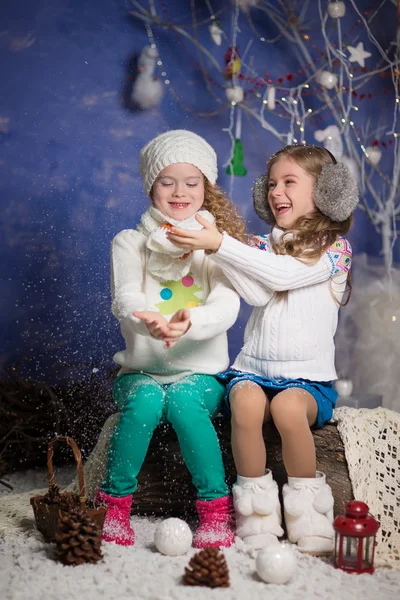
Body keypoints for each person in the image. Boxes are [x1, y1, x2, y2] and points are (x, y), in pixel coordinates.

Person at [166, 144, 358, 556]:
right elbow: (257, 290)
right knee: (247, 404)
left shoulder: (334, 249)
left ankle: (309, 514)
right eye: (271, 183)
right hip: (252, 371)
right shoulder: (261, 245)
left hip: (308, 382)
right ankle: (257, 513)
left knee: (288, 409)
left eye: (289, 182)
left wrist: (221, 244)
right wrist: (210, 234)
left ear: (327, 193)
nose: (275, 191)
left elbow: (283, 275)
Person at [95, 130, 246, 548]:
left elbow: (226, 306)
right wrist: (146, 319)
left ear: (205, 188)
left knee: (182, 400)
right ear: (151, 186)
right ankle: (114, 506)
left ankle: (216, 511)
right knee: (144, 399)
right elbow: (125, 297)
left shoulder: (216, 247)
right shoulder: (130, 242)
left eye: (191, 182)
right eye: (167, 181)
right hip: (141, 370)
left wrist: (189, 322)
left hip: (199, 374)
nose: (179, 191)